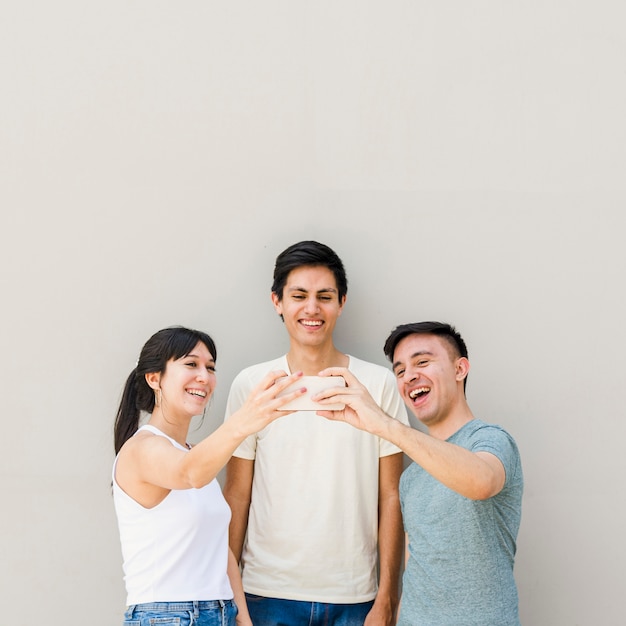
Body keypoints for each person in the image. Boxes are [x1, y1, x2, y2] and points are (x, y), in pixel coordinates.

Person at [223, 241, 409, 626]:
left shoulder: (377, 384)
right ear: (277, 301)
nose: (312, 308)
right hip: (266, 595)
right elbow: (237, 493)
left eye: (325, 296)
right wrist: (232, 598)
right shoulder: (253, 384)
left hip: (356, 598)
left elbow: (392, 495)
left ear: (341, 302)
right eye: (299, 296)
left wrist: (388, 598)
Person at [314, 321, 524, 626]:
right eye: (400, 371)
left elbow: (481, 482)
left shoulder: (491, 440)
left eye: (423, 362)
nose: (409, 375)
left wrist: (384, 424)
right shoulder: (411, 479)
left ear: (459, 369)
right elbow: (416, 570)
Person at [112, 326, 306, 626]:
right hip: (168, 616)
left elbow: (219, 548)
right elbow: (189, 473)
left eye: (211, 367)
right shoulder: (142, 448)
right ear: (154, 378)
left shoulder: (194, 452)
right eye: (191, 364)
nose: (204, 376)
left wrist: (242, 617)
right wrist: (244, 420)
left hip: (220, 612)